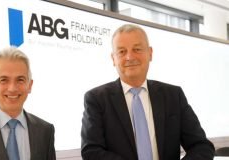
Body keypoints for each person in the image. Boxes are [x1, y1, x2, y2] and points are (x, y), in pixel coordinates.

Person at [81, 24, 214, 160]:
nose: (129, 57)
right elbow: (91, 151)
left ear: (150, 53)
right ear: (113, 59)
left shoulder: (173, 96)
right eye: (121, 51)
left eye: (137, 49)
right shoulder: (96, 99)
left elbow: (201, 146)